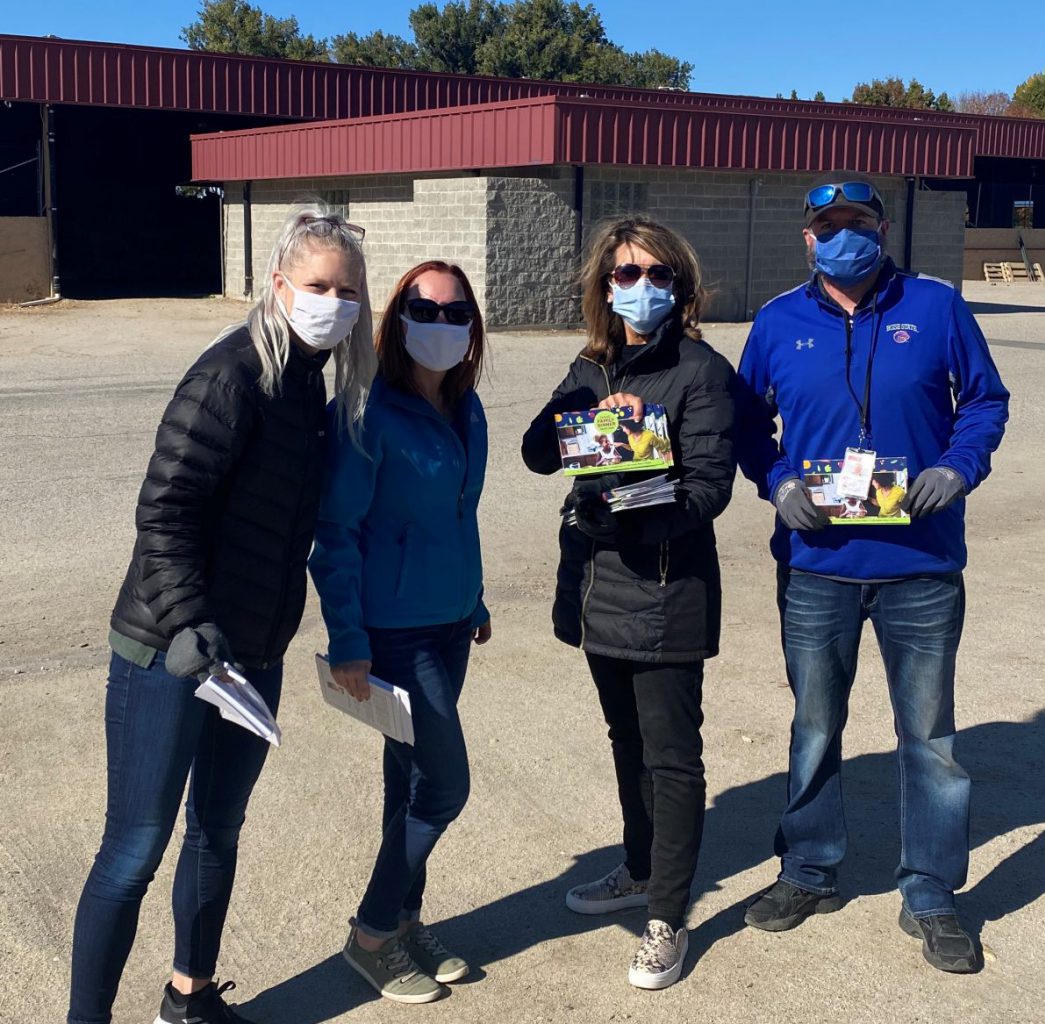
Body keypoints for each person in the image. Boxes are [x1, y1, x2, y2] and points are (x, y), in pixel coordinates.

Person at [67, 204, 376, 1024]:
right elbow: (164, 511)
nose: (333, 303)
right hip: (169, 648)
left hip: (252, 654)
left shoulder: (313, 387)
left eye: (347, 291)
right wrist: (191, 623)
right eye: (317, 285)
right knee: (133, 851)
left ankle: (189, 995)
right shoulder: (231, 375)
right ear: (278, 286)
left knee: (218, 830)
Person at [736, 176, 1009, 973]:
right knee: (815, 728)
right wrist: (777, 481)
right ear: (808, 238)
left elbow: (984, 401)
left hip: (919, 564)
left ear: (882, 229)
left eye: (857, 222)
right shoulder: (776, 321)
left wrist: (958, 468)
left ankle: (929, 889)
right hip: (817, 566)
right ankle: (808, 868)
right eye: (829, 225)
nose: (843, 235)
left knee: (927, 738)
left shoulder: (935, 308)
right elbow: (748, 422)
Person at [521, 217, 736, 990]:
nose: (639, 288)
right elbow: (539, 453)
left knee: (672, 759)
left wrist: (637, 504)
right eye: (624, 274)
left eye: (655, 274)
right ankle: (639, 866)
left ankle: (667, 918)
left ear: (678, 285)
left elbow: (708, 486)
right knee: (624, 741)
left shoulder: (701, 371)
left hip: (665, 589)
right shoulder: (592, 363)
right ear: (602, 287)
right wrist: (576, 416)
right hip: (596, 588)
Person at [309, 260, 490, 1004]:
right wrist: (348, 637)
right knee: (446, 782)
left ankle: (408, 918)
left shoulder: (465, 408)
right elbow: (336, 532)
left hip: (450, 623)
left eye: (455, 313)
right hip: (395, 632)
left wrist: (471, 599)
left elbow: (458, 514)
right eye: (425, 309)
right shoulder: (365, 411)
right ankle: (372, 934)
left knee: (409, 780)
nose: (440, 325)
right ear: (396, 319)